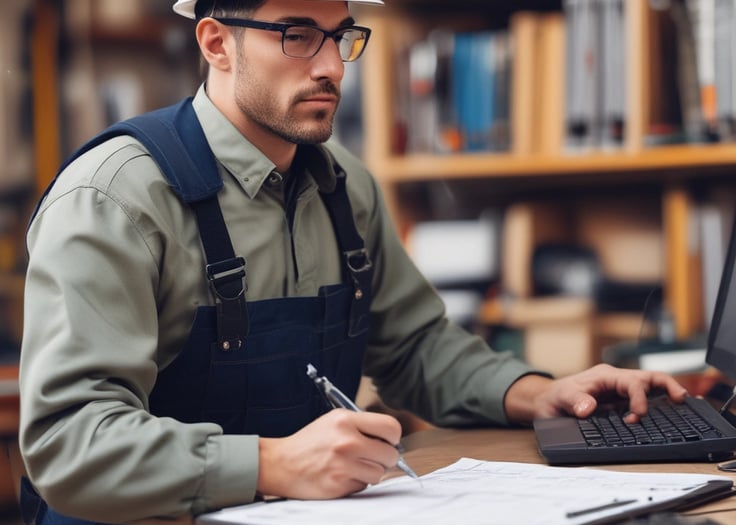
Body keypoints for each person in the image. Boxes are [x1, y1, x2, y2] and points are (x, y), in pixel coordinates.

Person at [18, 0, 689, 523]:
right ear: (216, 42)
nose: (333, 66)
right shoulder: (114, 200)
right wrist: (272, 463)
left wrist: (537, 393)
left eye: (340, 35)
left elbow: (415, 347)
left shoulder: (347, 188)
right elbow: (70, 440)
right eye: (297, 34)